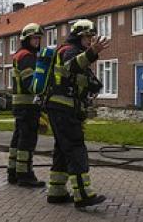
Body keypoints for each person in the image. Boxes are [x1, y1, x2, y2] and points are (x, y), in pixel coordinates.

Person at [45, 19, 110, 207]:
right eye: (88, 37)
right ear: (79, 36)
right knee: (75, 149)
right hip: (64, 109)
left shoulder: (72, 51)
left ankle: (56, 191)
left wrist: (92, 84)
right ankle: (82, 194)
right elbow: (70, 67)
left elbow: (76, 77)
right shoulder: (68, 51)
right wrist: (92, 53)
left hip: (60, 108)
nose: (90, 41)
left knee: (62, 149)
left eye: (91, 38)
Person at [7, 23, 46, 187]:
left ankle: (13, 172)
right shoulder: (27, 57)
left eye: (38, 38)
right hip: (28, 105)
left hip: (20, 104)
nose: (37, 42)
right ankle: (25, 175)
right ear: (26, 39)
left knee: (17, 139)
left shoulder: (18, 55)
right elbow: (31, 83)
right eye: (34, 38)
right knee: (27, 140)